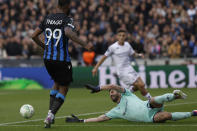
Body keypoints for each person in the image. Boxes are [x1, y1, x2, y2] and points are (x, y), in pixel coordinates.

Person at [31, 0, 93, 128]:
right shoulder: (67, 19)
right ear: (67, 6)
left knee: (56, 83)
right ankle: (50, 116)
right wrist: (85, 44)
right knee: (64, 88)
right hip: (62, 60)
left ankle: (50, 113)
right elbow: (68, 33)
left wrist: (44, 46)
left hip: (48, 59)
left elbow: (33, 36)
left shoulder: (47, 18)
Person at [66, 84, 197, 123]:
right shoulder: (116, 111)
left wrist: (99, 88)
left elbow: (113, 85)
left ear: (118, 92)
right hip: (150, 118)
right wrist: (82, 121)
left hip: (148, 106)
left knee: (152, 100)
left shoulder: (127, 94)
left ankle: (175, 95)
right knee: (167, 116)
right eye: (109, 93)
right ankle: (193, 113)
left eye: (112, 91)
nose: (111, 93)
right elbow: (100, 118)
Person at [92, 28, 151, 99]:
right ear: (117, 36)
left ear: (125, 36)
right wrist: (96, 68)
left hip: (130, 69)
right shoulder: (113, 47)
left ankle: (125, 94)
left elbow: (133, 54)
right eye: (120, 35)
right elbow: (103, 58)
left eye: (123, 35)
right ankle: (151, 100)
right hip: (122, 72)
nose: (121, 37)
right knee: (140, 85)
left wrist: (139, 55)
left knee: (142, 84)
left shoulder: (127, 45)